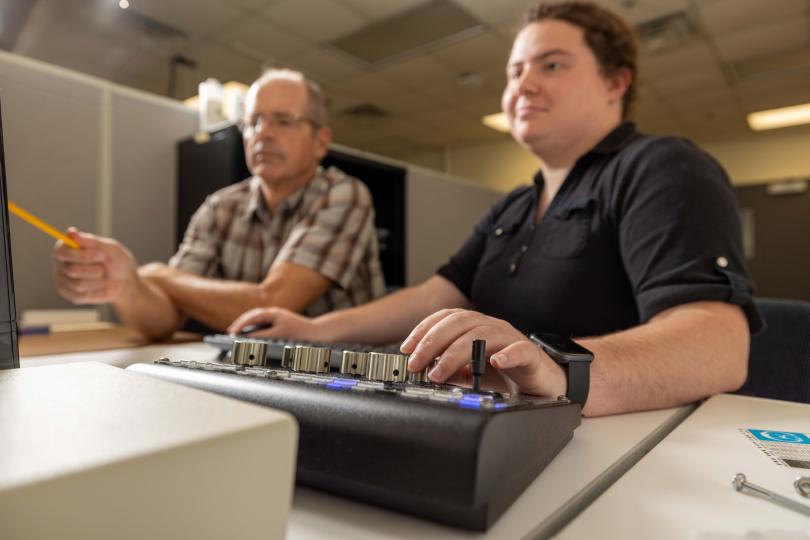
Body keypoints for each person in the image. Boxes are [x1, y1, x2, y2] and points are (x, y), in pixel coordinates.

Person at [231, 1, 763, 417]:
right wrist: (312, 330)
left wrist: (558, 366)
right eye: (514, 72)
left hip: (615, 446)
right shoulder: (515, 203)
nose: (522, 85)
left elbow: (717, 343)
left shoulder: (659, 166)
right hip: (500, 420)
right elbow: (434, 296)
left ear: (615, 82)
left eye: (551, 65)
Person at [53, 69, 385, 339]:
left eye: (283, 120)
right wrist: (127, 287)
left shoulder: (343, 193)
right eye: (253, 121)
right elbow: (164, 321)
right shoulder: (220, 207)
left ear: (321, 141)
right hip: (254, 370)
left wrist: (156, 275)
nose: (263, 133)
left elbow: (273, 303)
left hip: (343, 377)